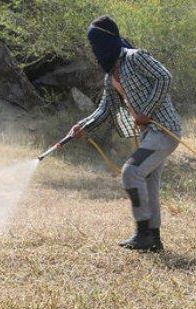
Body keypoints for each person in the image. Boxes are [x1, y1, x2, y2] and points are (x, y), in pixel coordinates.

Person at [69, 16, 181, 252]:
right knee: (149, 183)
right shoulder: (111, 77)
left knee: (131, 172)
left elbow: (165, 77)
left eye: (95, 44)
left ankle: (142, 234)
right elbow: (104, 110)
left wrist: (146, 111)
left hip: (164, 129)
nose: (94, 51)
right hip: (148, 134)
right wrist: (82, 126)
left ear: (107, 42)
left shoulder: (136, 57)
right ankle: (154, 239)